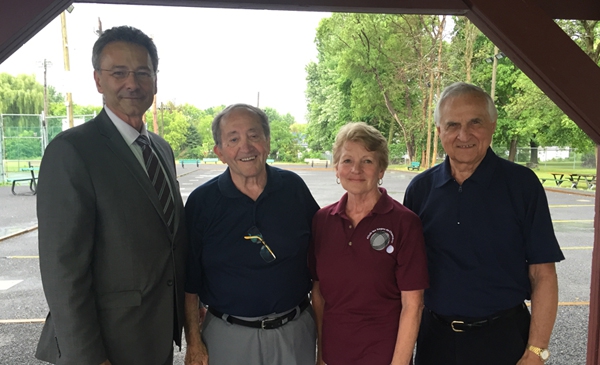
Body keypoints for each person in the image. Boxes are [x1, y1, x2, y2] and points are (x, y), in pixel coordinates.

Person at [35, 26, 187, 365]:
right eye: (119, 73)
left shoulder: (161, 150)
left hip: (155, 336)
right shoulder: (72, 151)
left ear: (155, 81)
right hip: (106, 346)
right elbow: (63, 272)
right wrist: (88, 358)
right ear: (98, 80)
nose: (132, 83)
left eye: (142, 73)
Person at [403, 82, 565, 365]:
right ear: (439, 131)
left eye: (474, 122)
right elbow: (405, 280)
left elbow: (543, 275)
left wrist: (536, 352)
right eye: (452, 125)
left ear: (492, 124)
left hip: (504, 341)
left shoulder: (522, 186)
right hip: (435, 341)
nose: (463, 135)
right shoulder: (420, 190)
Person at [184, 104, 320, 365]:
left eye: (254, 135)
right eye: (233, 139)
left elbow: (324, 252)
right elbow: (190, 281)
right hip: (229, 337)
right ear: (220, 152)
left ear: (267, 143)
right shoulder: (203, 202)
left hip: (295, 334)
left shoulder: (293, 189)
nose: (245, 147)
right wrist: (193, 341)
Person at [309, 122, 429, 365]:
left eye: (367, 161)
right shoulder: (323, 221)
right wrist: (321, 355)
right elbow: (319, 294)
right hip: (334, 354)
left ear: (381, 170)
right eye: (347, 161)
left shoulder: (405, 223)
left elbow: (412, 305)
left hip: (382, 355)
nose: (356, 169)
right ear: (336, 168)